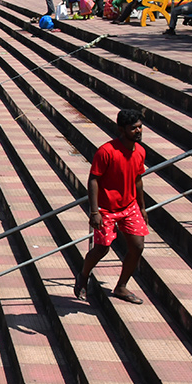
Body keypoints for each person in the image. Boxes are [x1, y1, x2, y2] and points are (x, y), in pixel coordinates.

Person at [74, 109, 149, 304]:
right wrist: (94, 211)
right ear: (122, 129)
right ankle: (83, 275)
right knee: (101, 249)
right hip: (106, 208)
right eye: (133, 128)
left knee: (137, 246)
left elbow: (138, 180)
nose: (138, 131)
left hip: (130, 206)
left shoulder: (140, 151)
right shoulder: (106, 151)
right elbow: (93, 180)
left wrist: (142, 207)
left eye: (140, 127)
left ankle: (121, 286)